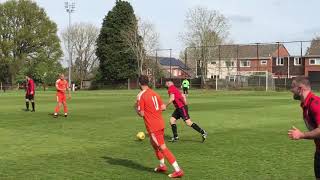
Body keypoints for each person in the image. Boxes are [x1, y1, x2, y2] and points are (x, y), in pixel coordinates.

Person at [135, 75, 184, 178]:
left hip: (153, 127)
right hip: (160, 124)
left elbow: (142, 114)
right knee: (154, 144)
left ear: (139, 83)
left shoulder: (141, 95)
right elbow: (163, 107)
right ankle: (162, 166)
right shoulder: (155, 93)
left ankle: (178, 170)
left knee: (162, 148)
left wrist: (136, 108)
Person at [288, 76, 320, 179]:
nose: (291, 90)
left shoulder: (315, 104)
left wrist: (302, 135)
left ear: (300, 89)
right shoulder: (306, 104)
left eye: (293, 87)